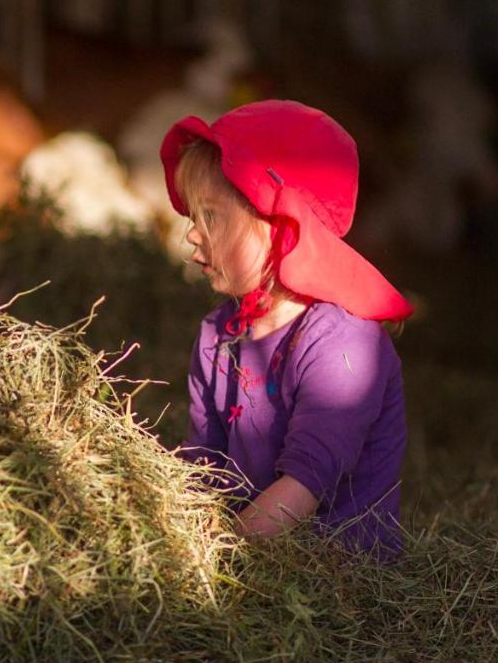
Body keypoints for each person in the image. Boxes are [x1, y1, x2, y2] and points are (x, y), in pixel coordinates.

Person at [159, 100, 414, 557]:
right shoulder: (218, 336)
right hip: (256, 570)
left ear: (281, 227)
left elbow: (302, 489)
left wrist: (207, 562)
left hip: (338, 587)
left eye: (211, 217)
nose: (192, 234)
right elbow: (203, 466)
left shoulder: (343, 345)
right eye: (192, 219)